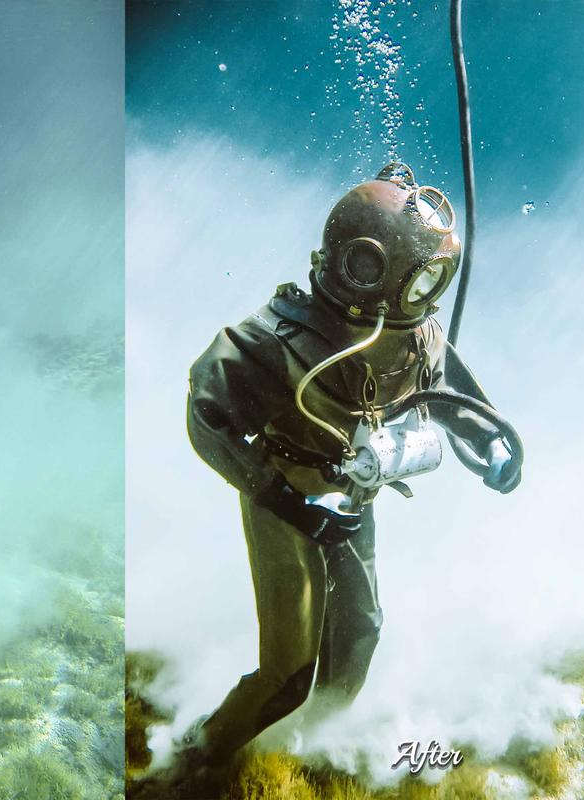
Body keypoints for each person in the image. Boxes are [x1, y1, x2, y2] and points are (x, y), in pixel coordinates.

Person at [173, 163, 521, 788]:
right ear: (365, 269)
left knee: (359, 634)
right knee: (287, 673)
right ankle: (195, 755)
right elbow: (206, 416)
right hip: (286, 498)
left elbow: (446, 392)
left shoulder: (416, 333)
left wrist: (491, 442)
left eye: (435, 281)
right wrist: (280, 496)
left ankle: (311, 741)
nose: (429, 297)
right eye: (421, 282)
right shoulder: (277, 341)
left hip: (354, 498)